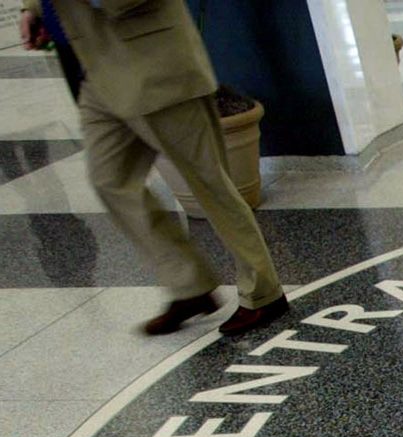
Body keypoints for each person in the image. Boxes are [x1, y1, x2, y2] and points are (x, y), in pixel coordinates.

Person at [17, 0, 289, 336]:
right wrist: (35, 10)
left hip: (155, 69)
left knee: (209, 185)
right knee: (110, 181)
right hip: (96, 71)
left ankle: (263, 293)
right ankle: (189, 285)